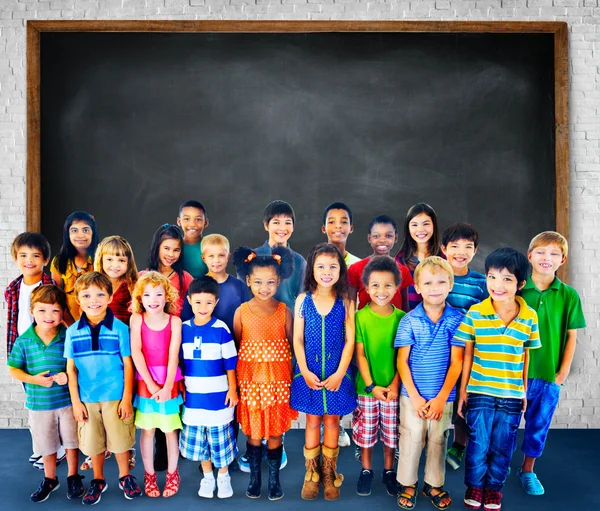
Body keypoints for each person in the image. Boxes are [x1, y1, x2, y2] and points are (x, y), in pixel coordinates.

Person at [456, 248, 541, 511]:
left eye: (507, 279)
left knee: (503, 446)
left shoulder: (529, 317)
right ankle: (474, 487)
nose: (497, 285)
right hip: (479, 390)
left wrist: (524, 392)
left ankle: (493, 489)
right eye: (492, 277)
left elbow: (526, 357)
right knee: (478, 444)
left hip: (512, 395)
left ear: (521, 284)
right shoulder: (475, 313)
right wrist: (463, 392)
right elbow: (467, 355)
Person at [64, 272, 141, 505]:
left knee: (120, 441)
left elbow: (128, 364)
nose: (93, 299)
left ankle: (125, 476)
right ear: (78, 299)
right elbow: (71, 370)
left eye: (100, 294)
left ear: (110, 297)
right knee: (93, 442)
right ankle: (98, 479)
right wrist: (76, 403)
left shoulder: (119, 328)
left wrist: (127, 398)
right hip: (87, 399)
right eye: (86, 295)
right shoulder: (72, 331)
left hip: (115, 397)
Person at [518, 232, 586, 496]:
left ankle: (527, 470)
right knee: (507, 427)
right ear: (530, 255)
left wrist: (563, 371)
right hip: (513, 375)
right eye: (542, 252)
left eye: (554, 254)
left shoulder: (568, 295)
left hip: (548, 376)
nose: (547, 258)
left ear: (563, 259)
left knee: (538, 426)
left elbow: (571, 334)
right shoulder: (516, 289)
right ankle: (498, 468)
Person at [395, 256, 464, 510]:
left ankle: (433, 483)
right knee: (411, 437)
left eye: (441, 282)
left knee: (438, 439)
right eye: (428, 282)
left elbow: (457, 362)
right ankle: (408, 482)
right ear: (418, 287)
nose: (435, 287)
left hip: (442, 397)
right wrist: (414, 396)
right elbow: (402, 361)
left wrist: (440, 398)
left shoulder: (458, 319)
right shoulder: (409, 320)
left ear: (450, 285)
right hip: (411, 395)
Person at [291, 243, 356, 501]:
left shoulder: (347, 301)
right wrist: (304, 370)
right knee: (312, 420)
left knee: (332, 421)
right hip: (310, 372)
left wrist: (341, 372)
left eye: (332, 266)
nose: (326, 272)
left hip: (336, 372)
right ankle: (312, 473)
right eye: (321, 266)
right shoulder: (302, 300)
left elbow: (350, 340)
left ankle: (330, 473)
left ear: (341, 269)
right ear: (312, 270)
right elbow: (297, 339)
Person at [232, 245, 298, 501]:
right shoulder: (242, 312)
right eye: (258, 282)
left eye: (270, 282)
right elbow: (237, 348)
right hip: (250, 385)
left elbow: (294, 346)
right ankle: (254, 479)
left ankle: (273, 480)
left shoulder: (284, 312)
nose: (264, 287)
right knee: (254, 434)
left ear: (279, 280)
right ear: (248, 281)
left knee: (274, 433)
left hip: (278, 384)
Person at [7, 285, 84, 503]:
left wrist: (67, 376)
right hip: (39, 405)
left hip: (67, 401)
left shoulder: (67, 336)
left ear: (63, 313)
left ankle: (73, 475)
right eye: (42, 310)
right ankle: (50, 478)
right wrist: (34, 379)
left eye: (55, 311)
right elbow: (14, 368)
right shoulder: (24, 340)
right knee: (47, 445)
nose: (48, 316)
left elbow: (76, 365)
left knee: (71, 441)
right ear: (32, 311)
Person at [180, 277, 238, 499]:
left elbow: (230, 363)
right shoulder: (183, 329)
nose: (203, 308)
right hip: (194, 400)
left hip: (218, 399)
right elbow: (180, 363)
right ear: (189, 301)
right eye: (198, 302)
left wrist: (232, 389)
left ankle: (223, 476)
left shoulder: (221, 329)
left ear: (216, 303)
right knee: (200, 442)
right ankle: (207, 477)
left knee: (220, 441)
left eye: (208, 303)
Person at [352, 256, 404, 497]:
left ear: (397, 286)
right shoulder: (360, 317)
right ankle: (366, 471)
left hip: (393, 390)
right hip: (367, 389)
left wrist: (394, 385)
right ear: (365, 286)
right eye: (375, 285)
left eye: (387, 285)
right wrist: (372, 385)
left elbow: (404, 359)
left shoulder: (402, 318)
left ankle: (389, 471)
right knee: (367, 433)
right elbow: (360, 355)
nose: (381, 291)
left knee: (391, 434)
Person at [5, 232, 57, 469]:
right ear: (15, 258)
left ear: (45, 259)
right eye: (23, 255)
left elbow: (59, 320)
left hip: (46, 352)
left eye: (36, 256)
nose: (29, 260)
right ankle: (42, 448)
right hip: (23, 351)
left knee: (50, 402)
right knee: (33, 400)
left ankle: (57, 450)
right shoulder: (13, 288)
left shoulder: (50, 286)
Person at [130, 272, 183, 498]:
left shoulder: (175, 321)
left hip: (168, 381)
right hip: (146, 382)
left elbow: (173, 355)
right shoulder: (137, 319)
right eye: (148, 294)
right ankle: (149, 474)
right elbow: (136, 352)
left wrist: (167, 385)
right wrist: (152, 386)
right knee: (148, 430)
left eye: (159, 294)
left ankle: (173, 473)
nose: (153, 299)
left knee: (171, 431)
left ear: (167, 296)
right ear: (140, 297)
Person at [440, 222, 488, 470]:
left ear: (475, 250)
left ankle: (459, 445)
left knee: (464, 400)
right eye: (454, 246)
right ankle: (433, 442)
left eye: (467, 247)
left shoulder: (481, 283)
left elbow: (485, 318)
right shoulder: (437, 278)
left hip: (468, 352)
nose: (460, 251)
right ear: (443, 248)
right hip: (438, 353)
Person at [321, 202, 358, 448]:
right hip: (323, 330)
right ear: (323, 228)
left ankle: (339, 423)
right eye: (332, 221)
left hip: (348, 329)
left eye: (343, 221)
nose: (338, 226)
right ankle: (325, 423)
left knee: (344, 377)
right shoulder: (317, 260)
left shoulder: (357, 264)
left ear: (351, 228)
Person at [347, 215, 413, 311]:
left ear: (396, 238)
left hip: (395, 325)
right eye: (376, 236)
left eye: (388, 236)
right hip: (365, 324)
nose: (382, 240)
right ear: (369, 238)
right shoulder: (356, 268)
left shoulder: (403, 270)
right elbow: (350, 305)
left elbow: (405, 307)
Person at [252, 200, 307, 311]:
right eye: (276, 222)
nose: (282, 228)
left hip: (290, 323)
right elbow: (244, 296)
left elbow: (303, 299)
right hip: (257, 322)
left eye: (287, 222)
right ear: (266, 225)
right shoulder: (252, 257)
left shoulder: (299, 261)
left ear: (293, 227)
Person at [50, 211, 98, 325]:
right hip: (68, 324)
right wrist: (71, 326)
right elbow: (58, 299)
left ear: (93, 233)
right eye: (74, 230)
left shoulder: (101, 259)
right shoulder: (59, 261)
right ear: (68, 234)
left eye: (85, 230)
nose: (80, 235)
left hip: (97, 323)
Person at [396, 203, 443, 311]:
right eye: (414, 225)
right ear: (408, 228)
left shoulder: (443, 258)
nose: (420, 229)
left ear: (434, 225)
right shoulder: (401, 260)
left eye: (426, 224)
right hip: (408, 320)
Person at [144, 224, 193, 317]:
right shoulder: (142, 277)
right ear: (157, 247)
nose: (171, 254)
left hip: (177, 329)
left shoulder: (185, 278)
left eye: (176, 250)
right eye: (166, 248)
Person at [94, 236, 139, 325]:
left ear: (128, 263)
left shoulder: (132, 285)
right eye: (109, 259)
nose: (115, 265)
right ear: (101, 260)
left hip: (125, 334)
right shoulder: (94, 284)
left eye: (121, 260)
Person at [177, 200, 209, 278]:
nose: (192, 224)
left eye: (198, 219)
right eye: (187, 219)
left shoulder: (210, 246)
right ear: (179, 221)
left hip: (205, 288)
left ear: (205, 222)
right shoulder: (174, 247)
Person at [322, 202, 361, 266]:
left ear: (351, 228)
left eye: (344, 222)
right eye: (331, 222)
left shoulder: (359, 265)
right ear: (324, 229)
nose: (338, 226)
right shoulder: (315, 263)